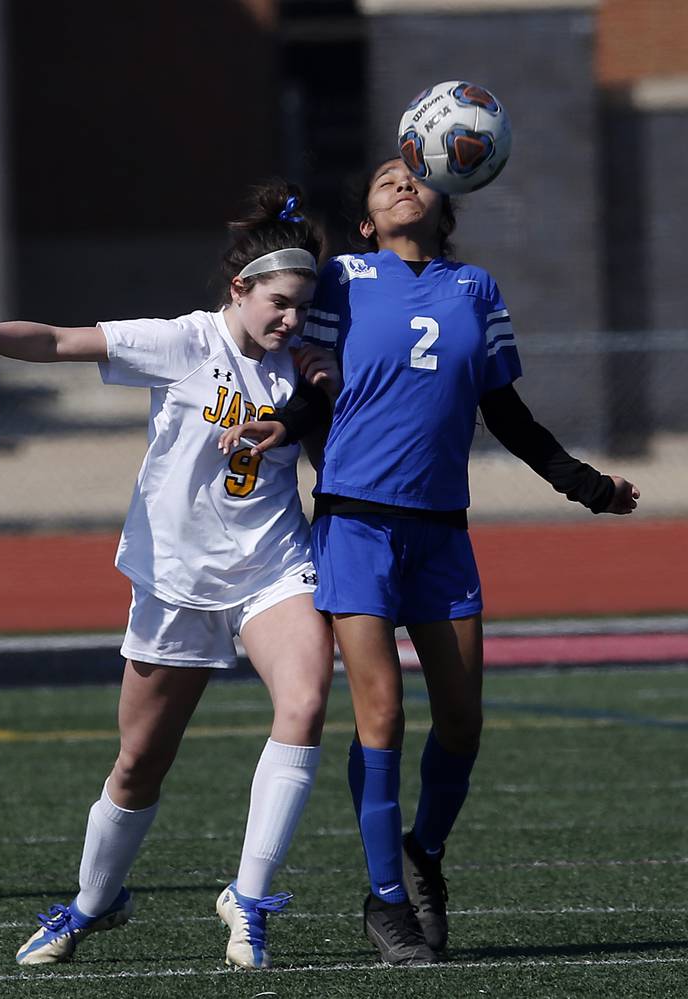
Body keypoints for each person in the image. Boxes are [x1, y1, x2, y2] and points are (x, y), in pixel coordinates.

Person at [218, 157, 640, 967]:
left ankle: (423, 856)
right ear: (369, 222)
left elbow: (505, 409)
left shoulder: (474, 289)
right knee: (383, 718)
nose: (403, 183)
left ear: (446, 203)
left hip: (442, 532)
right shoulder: (342, 277)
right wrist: (283, 419)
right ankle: (384, 906)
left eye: (415, 178)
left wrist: (585, 486)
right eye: (384, 181)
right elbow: (318, 381)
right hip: (356, 526)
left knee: (461, 720)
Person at [0, 183, 340, 971]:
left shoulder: (304, 367)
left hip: (273, 570)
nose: (291, 319)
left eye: (302, 306)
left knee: (307, 699)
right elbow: (56, 340)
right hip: (176, 583)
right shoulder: (183, 341)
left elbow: (338, 457)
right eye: (279, 303)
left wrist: (324, 390)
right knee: (139, 762)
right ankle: (92, 902)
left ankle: (248, 899)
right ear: (239, 290)